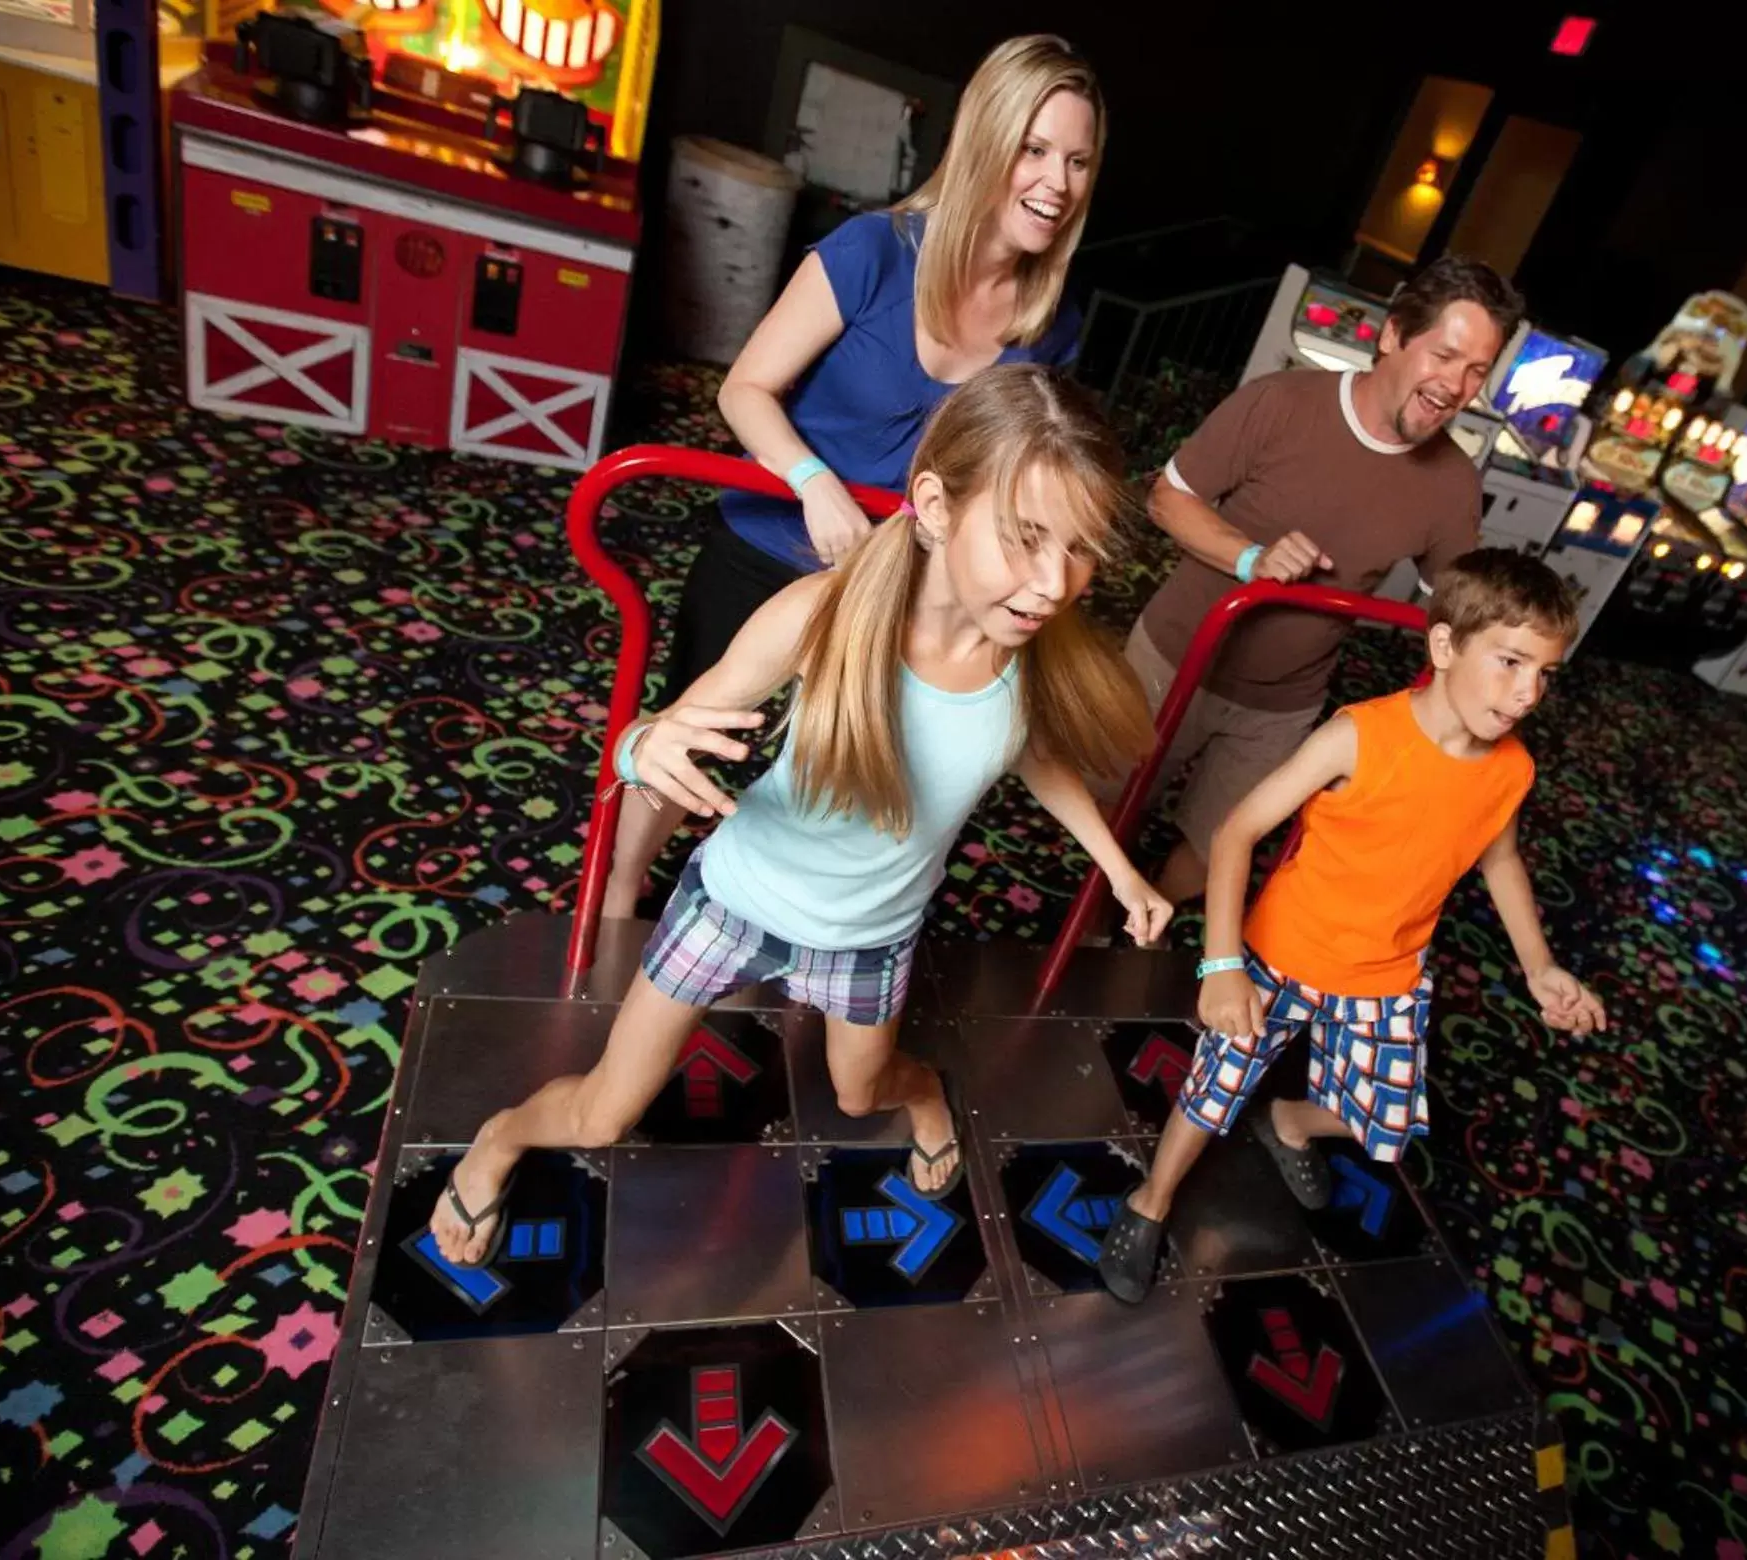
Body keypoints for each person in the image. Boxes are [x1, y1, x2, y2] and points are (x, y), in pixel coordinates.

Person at [431, 367, 1170, 1263]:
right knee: (600, 1116)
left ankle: (927, 1092)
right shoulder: (820, 617)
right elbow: (655, 733)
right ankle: (500, 1139)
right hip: (733, 903)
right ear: (934, 506)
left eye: (1080, 548)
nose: (1055, 584)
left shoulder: (1026, 655)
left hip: (870, 937)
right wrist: (641, 751)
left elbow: (1033, 754)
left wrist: (1118, 867)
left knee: (865, 1096)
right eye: (1024, 538)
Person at [603, 34, 1106, 918]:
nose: (1056, 182)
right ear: (985, 139)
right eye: (1034, 149)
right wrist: (812, 479)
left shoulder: (1049, 324)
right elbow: (745, 389)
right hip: (771, 543)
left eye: (1076, 160)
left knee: (845, 770)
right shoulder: (874, 250)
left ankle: (808, 933)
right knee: (705, 729)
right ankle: (614, 898)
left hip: (895, 580)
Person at [1096, 549, 1608, 1304]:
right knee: (1212, 1091)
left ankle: (1292, 1124)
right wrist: (1220, 964)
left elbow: (1499, 861)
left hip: (1387, 973)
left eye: (1546, 674)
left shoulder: (1511, 768)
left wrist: (1539, 967)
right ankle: (1152, 1201)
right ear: (1443, 646)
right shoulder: (1358, 736)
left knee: (1383, 1122)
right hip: (1278, 955)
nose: (1528, 692)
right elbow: (1237, 833)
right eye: (1509, 662)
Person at [1119, 256, 1527, 908]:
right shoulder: (1280, 403)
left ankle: (1132, 930)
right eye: (1445, 356)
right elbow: (1169, 499)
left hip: (1284, 702)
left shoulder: (1453, 484)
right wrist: (1250, 559)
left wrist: (1504, 664)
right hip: (1173, 658)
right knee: (1113, 806)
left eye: (1477, 370)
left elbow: (1460, 611)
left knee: (1223, 840)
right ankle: (1081, 926)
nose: (1457, 385)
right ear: (1393, 335)